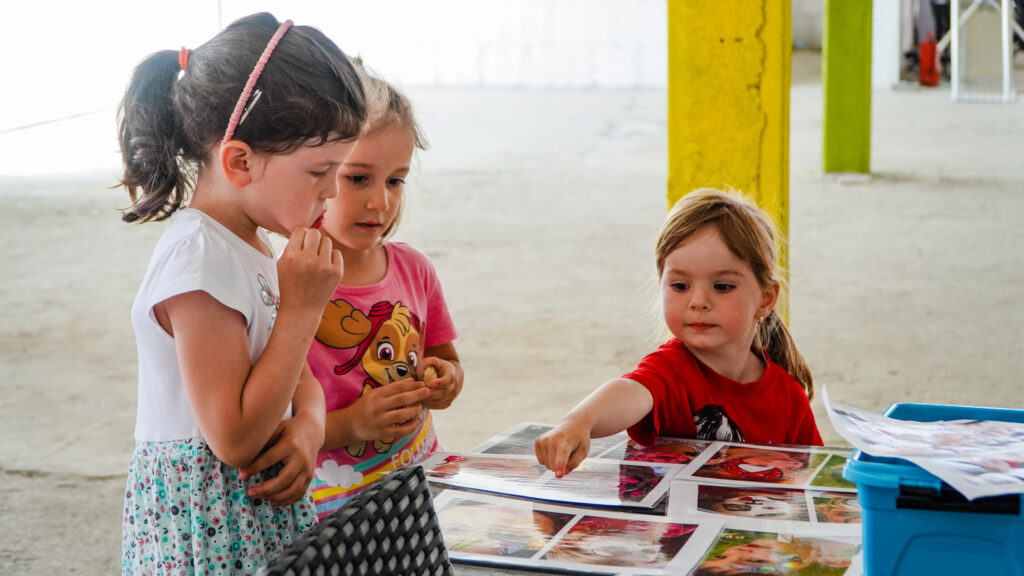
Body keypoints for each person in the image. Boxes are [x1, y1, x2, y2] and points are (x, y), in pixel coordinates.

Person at [117, 13, 366, 574]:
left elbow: (296, 377)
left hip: (250, 509)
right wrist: (303, 306)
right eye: (320, 171)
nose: (332, 191)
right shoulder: (198, 262)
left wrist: (309, 425)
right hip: (207, 520)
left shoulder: (247, 239)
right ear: (240, 161)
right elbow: (232, 438)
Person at [536, 188, 822, 478]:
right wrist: (579, 421)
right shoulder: (671, 370)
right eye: (680, 286)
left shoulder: (788, 396)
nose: (698, 301)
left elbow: (814, 479)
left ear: (765, 298)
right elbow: (629, 392)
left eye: (722, 286)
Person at [306, 61, 464, 519]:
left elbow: (447, 359)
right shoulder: (290, 283)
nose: (381, 202)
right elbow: (274, 430)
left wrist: (446, 381)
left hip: (420, 485)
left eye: (396, 180)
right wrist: (353, 423)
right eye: (358, 178)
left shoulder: (414, 269)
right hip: (333, 511)